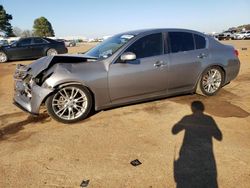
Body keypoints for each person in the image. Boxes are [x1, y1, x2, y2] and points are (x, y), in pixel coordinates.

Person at [172, 101, 222, 188]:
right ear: (202, 109)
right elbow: (219, 136)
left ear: (193, 109)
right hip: (206, 156)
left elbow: (174, 130)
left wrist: (184, 124)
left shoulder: (187, 118)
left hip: (188, 156)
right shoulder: (209, 119)